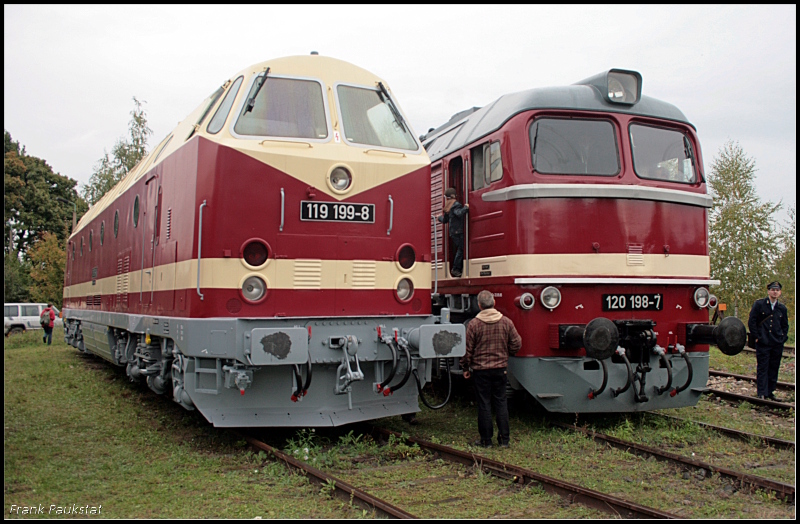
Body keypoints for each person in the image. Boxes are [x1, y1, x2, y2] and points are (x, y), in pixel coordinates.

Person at [461, 290, 522, 448]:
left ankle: (486, 440)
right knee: (501, 402)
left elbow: (467, 350)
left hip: (481, 370)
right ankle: (504, 440)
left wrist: (465, 367)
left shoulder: (474, 324)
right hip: (500, 369)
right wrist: (506, 353)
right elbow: (517, 343)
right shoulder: (506, 322)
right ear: (494, 303)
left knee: (484, 404)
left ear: (479, 305)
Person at [747, 281, 789, 400]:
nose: (775, 292)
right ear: (768, 291)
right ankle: (761, 392)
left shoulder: (782, 308)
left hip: (776, 343)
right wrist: (757, 336)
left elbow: (785, 325)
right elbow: (752, 321)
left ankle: (770, 392)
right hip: (763, 342)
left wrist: (782, 338)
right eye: (772, 289)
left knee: (774, 367)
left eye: (777, 290)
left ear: (780, 292)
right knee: (763, 367)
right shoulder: (760, 304)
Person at [438, 188, 469, 277]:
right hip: (458, 232)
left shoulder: (448, 206)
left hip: (453, 232)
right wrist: (466, 207)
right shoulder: (455, 205)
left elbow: (444, 220)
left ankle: (457, 268)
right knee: (461, 249)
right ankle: (455, 269)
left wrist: (439, 217)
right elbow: (459, 213)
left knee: (459, 249)